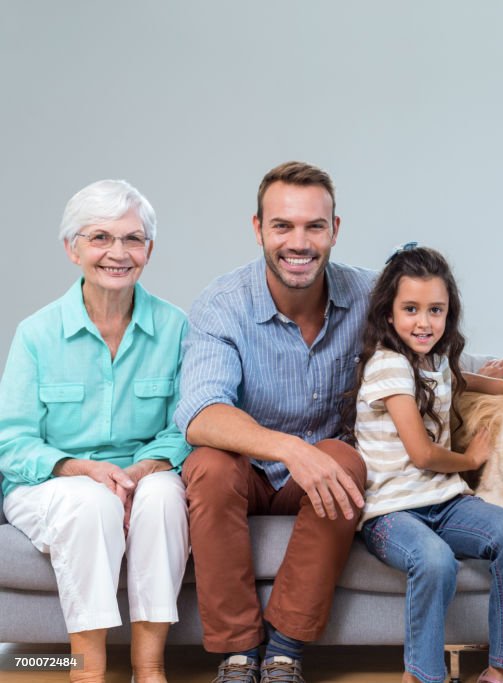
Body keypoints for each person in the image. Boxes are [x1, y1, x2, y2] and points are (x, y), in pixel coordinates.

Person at [174, 161, 371, 683]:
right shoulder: (222, 304)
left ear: (335, 230)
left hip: (322, 476)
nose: (299, 242)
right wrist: (290, 448)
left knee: (344, 460)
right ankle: (238, 653)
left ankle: (284, 649)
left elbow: (434, 361)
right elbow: (200, 412)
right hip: (249, 472)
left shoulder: (371, 299)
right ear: (258, 229)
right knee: (208, 465)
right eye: (282, 226)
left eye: (314, 226)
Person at [0, 180, 190, 683]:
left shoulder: (177, 328)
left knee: (166, 499)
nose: (118, 253)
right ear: (73, 248)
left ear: (149, 249)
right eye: (101, 237)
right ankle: (86, 672)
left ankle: (149, 668)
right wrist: (81, 469)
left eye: (133, 239)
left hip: (145, 471)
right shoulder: (36, 334)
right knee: (92, 502)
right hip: (53, 482)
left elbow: (185, 427)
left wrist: (140, 470)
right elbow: (12, 442)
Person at [350, 244, 503, 683]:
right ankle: (421, 676)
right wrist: (471, 458)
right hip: (390, 512)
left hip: (444, 501)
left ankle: (500, 672)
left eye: (435, 310)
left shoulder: (433, 359)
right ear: (389, 313)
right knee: (434, 560)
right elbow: (421, 453)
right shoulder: (388, 365)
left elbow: (459, 378)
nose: (424, 322)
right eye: (411, 309)